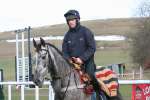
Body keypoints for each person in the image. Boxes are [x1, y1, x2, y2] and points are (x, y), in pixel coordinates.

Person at [62, 9, 96, 77]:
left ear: (77, 20)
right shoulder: (67, 36)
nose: (70, 22)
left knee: (90, 76)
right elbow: (64, 52)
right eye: (68, 20)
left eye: (72, 20)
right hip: (72, 64)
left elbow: (92, 48)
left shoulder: (86, 31)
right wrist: (69, 60)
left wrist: (81, 59)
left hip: (87, 62)